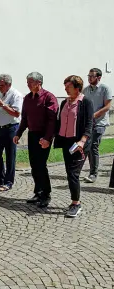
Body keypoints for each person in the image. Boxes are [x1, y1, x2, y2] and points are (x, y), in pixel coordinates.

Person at [14, 72, 59, 208]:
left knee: (41, 165)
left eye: (30, 82)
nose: (28, 84)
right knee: (34, 165)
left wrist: (47, 138)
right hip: (32, 135)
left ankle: (46, 193)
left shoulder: (49, 97)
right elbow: (24, 119)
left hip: (44, 135)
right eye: (27, 81)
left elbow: (52, 121)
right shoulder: (27, 98)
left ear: (39, 83)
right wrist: (19, 133)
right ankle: (38, 192)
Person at [54, 75, 93, 217]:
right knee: (69, 172)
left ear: (77, 88)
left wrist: (82, 141)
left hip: (79, 144)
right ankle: (75, 202)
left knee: (73, 173)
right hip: (66, 143)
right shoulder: (65, 102)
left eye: (68, 86)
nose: (65, 88)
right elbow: (59, 123)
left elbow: (89, 124)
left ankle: (76, 203)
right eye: (65, 86)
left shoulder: (86, 102)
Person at [0, 74, 23, 192]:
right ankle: (1, 179)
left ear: (9, 84)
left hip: (11, 128)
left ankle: (9, 182)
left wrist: (3, 104)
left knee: (10, 156)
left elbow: (16, 113)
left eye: (2, 85)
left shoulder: (16, 95)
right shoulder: (0, 93)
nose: (0, 87)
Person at [82, 68, 112, 183]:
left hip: (100, 123)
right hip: (88, 123)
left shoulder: (105, 89)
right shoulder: (86, 90)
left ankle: (93, 173)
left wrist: (93, 115)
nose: (89, 78)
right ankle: (83, 170)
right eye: (88, 76)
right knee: (87, 147)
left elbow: (107, 106)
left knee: (93, 146)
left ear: (99, 77)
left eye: (92, 76)